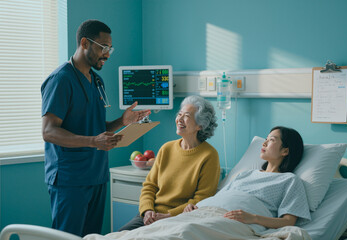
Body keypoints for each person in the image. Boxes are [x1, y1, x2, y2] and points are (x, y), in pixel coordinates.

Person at [41, 19, 150, 237]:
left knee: (91, 237)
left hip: (97, 175)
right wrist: (93, 141)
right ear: (84, 43)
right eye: (103, 47)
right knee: (68, 236)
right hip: (70, 180)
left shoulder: (97, 81)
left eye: (110, 48)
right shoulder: (61, 80)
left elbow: (97, 127)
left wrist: (122, 121)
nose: (107, 54)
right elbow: (49, 131)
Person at [119, 95, 220, 231]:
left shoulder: (209, 156)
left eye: (187, 116)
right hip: (150, 214)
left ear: (200, 125)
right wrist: (147, 210)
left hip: (178, 218)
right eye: (179, 114)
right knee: (120, 234)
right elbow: (149, 186)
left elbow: (201, 199)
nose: (179, 119)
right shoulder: (166, 148)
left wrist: (168, 215)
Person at [187, 126, 311, 233]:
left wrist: (254, 218)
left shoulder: (290, 180)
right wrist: (195, 207)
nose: (264, 143)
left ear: (285, 151)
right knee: (174, 228)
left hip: (235, 222)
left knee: (187, 232)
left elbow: (288, 222)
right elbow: (221, 198)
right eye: (266, 139)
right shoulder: (245, 174)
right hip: (204, 213)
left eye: (271, 140)